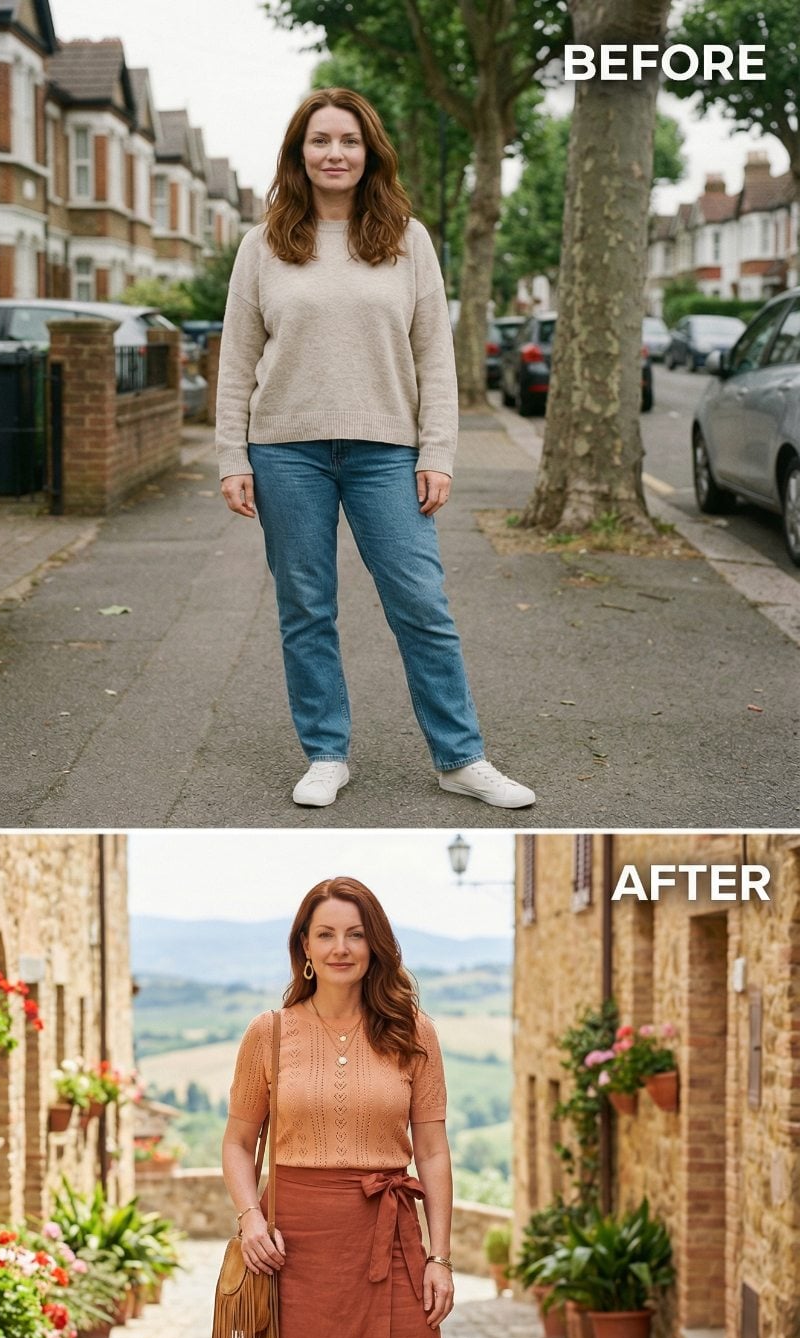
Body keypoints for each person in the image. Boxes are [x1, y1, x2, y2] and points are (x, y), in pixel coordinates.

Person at [221, 876, 543, 1338]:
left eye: (355, 934)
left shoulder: (411, 1031)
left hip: (391, 1237)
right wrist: (249, 1217)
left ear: (375, 946)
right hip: (295, 1247)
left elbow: (432, 1150)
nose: (340, 948)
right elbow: (238, 1143)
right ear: (304, 946)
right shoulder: (268, 1035)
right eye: (326, 934)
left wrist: (441, 1255)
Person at [216, 88, 536, 813]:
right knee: (305, 606)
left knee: (421, 603)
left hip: (387, 450)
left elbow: (436, 355)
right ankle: (326, 754)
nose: (335, 153)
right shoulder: (262, 245)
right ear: (300, 153)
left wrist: (439, 451)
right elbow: (236, 361)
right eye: (321, 140)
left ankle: (461, 758)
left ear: (370, 153)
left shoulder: (407, 239)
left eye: (349, 141)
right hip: (285, 450)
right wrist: (232, 458)